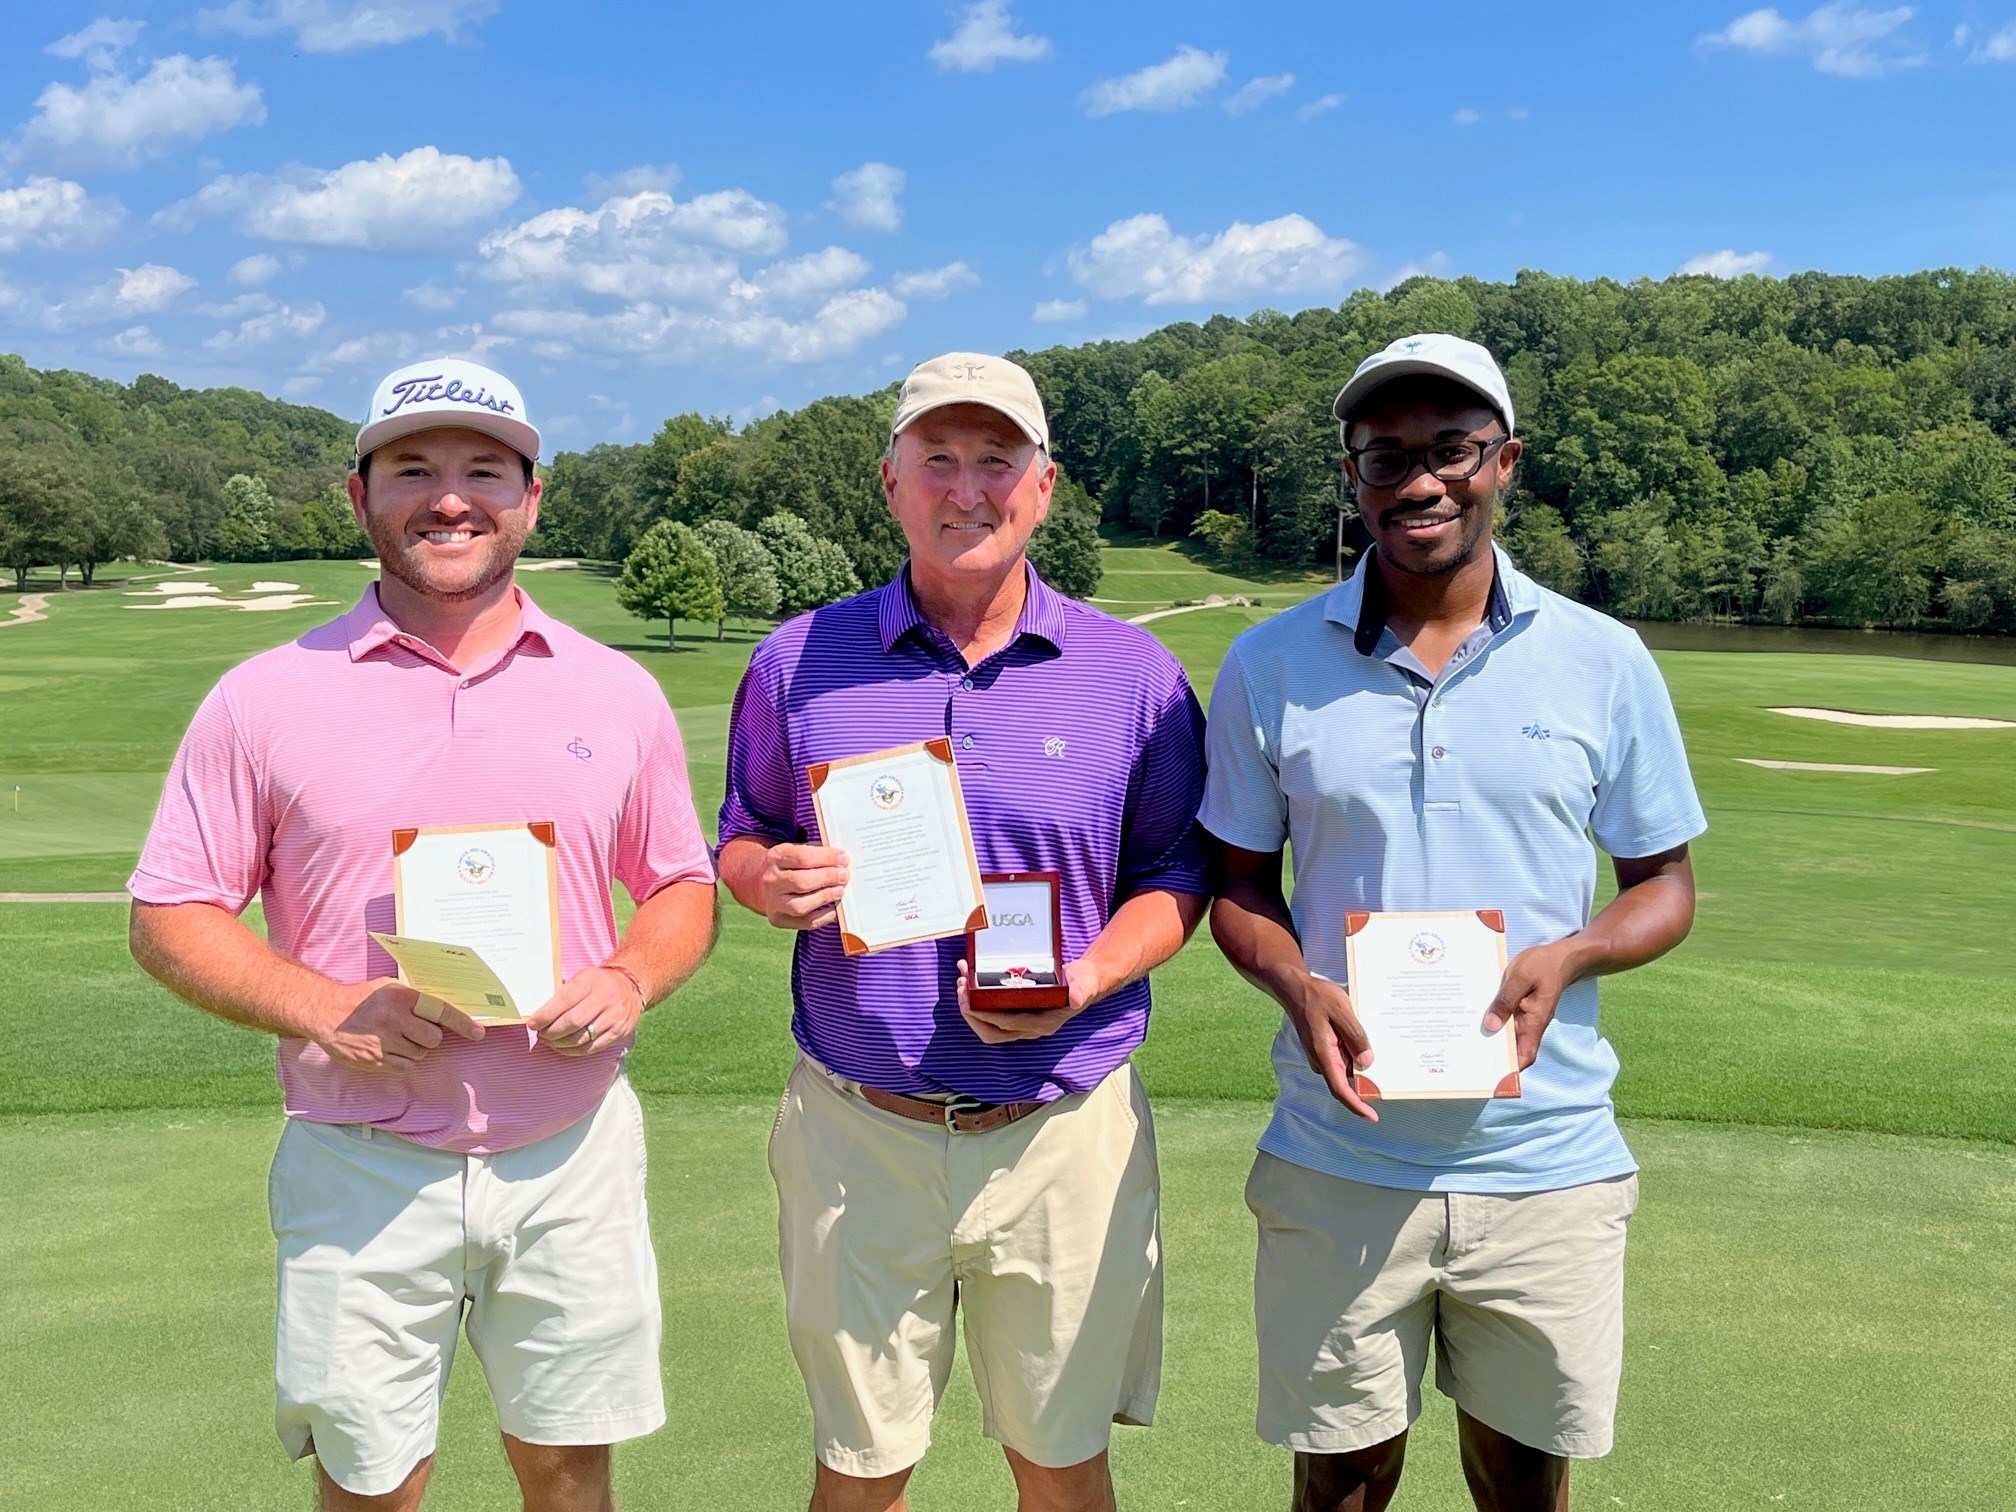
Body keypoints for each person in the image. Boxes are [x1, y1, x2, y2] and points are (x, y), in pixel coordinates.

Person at [127, 356, 719, 1512]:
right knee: (373, 1483)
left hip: (570, 1147)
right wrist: (326, 1008)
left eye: (483, 470)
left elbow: (681, 884)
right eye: (413, 469)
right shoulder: (262, 696)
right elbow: (169, 916)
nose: (450, 497)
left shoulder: (615, 690)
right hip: (362, 1157)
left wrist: (634, 976)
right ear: (360, 498)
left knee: (566, 1468)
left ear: (532, 498)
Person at [1200, 333, 1706, 1512]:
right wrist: (1295, 984)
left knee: (1524, 1480)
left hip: (1546, 1153)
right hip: (1340, 1150)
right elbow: (1236, 882)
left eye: (1451, 451)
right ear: (1353, 477)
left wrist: (1575, 950)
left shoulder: (1603, 659)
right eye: (1385, 458)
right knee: (1340, 1482)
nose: (1419, 482)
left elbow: (1663, 882)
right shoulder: (1272, 663)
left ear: (1505, 462)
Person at [716, 352, 1209, 1512]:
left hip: (1061, 1132)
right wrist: (763, 880)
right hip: (857, 1127)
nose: (967, 487)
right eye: (938, 459)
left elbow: (1176, 872)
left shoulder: (1134, 674)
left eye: (998, 460)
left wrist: (1086, 976)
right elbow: (742, 829)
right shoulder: (797, 659)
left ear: (1045, 485)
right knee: (860, 1469)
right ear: (890, 480)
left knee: (1062, 1464)